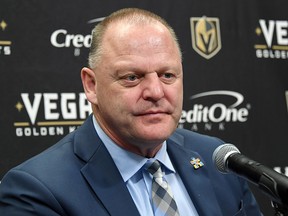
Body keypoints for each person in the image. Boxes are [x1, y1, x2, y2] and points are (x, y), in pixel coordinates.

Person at [0, 8, 262, 216]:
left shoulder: (219, 160)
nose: (156, 91)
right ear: (91, 86)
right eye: (132, 77)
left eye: (167, 75)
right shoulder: (36, 190)